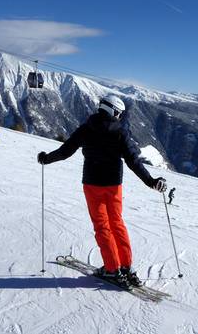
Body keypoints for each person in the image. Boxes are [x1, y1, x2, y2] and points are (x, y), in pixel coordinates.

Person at [37, 95, 167, 288]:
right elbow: (133, 161)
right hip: (114, 185)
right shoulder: (121, 132)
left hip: (92, 184)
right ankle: (125, 267)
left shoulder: (86, 128)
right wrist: (151, 181)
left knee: (102, 226)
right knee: (117, 223)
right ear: (113, 111)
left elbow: (65, 151)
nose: (120, 117)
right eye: (119, 113)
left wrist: (46, 159)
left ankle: (112, 269)